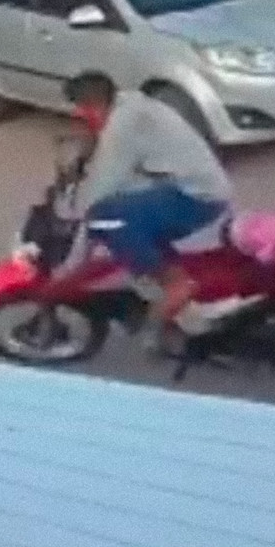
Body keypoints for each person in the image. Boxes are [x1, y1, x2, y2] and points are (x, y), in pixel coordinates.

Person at [62, 72, 234, 345]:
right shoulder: (131, 106)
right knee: (126, 206)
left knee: (106, 219)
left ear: (91, 106)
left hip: (198, 199)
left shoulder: (124, 125)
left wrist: (74, 221)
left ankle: (172, 283)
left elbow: (102, 186)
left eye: (83, 112)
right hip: (190, 185)